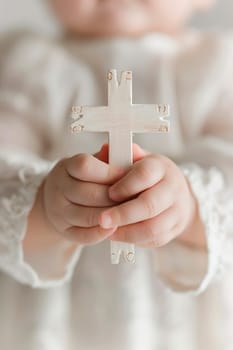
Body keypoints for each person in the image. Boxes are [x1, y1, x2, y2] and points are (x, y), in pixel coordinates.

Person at [0, 0, 233, 349]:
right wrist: (45, 206)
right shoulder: (27, 66)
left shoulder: (217, 68)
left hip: (184, 324)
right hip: (56, 323)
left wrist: (188, 210)